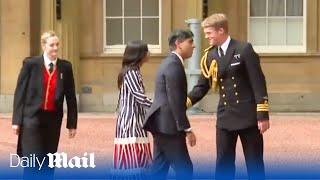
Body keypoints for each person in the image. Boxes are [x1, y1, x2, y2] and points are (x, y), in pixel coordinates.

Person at [187, 13, 270, 180]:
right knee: (223, 164)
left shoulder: (244, 49)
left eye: (209, 33)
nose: (206, 36)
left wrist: (263, 115)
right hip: (225, 116)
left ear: (221, 30)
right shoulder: (210, 56)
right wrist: (183, 103)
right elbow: (202, 86)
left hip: (248, 117)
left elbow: (258, 83)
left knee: (254, 164)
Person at [12, 30, 78, 179]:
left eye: (57, 45)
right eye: (51, 45)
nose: (55, 48)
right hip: (31, 119)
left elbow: (71, 96)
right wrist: (16, 121)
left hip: (53, 121)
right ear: (44, 46)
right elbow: (20, 93)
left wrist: (72, 123)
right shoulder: (30, 64)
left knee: (48, 161)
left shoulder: (65, 67)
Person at [143, 29, 197, 180]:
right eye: (190, 42)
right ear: (178, 44)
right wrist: (187, 129)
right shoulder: (173, 65)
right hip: (168, 127)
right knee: (185, 170)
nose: (194, 46)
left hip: (162, 124)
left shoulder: (170, 62)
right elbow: (175, 100)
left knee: (159, 170)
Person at [112, 40, 153, 179]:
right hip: (131, 122)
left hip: (136, 120)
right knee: (131, 161)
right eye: (146, 51)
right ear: (140, 54)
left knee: (138, 160)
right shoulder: (131, 73)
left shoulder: (133, 72)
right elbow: (140, 97)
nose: (149, 53)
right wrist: (159, 106)